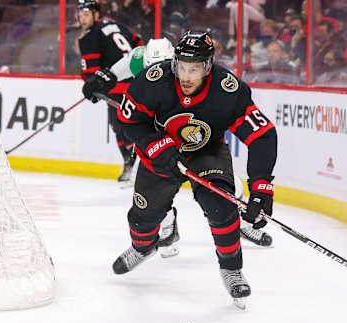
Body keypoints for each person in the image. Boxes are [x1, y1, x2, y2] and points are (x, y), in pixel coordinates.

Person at [111, 31, 277, 306]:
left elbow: (262, 135)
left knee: (222, 207)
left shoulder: (227, 90)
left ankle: (231, 269)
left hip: (206, 151)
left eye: (194, 69)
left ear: (208, 67)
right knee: (142, 220)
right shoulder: (154, 80)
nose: (186, 76)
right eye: (182, 67)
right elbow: (128, 118)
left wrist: (261, 186)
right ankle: (143, 247)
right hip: (160, 153)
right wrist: (154, 144)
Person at [83, 37, 274, 254]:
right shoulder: (142, 62)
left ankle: (242, 220)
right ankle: (167, 230)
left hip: (190, 134)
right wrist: (101, 79)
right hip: (158, 134)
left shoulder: (184, 69)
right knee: (148, 187)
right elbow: (127, 63)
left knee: (220, 185)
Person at [77, 0, 143, 182]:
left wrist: (90, 88)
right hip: (139, 84)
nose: (82, 19)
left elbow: (92, 76)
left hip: (117, 88)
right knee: (135, 124)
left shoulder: (88, 37)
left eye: (86, 14)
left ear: (96, 14)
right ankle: (137, 163)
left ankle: (131, 165)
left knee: (119, 126)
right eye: (80, 15)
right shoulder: (117, 25)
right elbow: (140, 46)